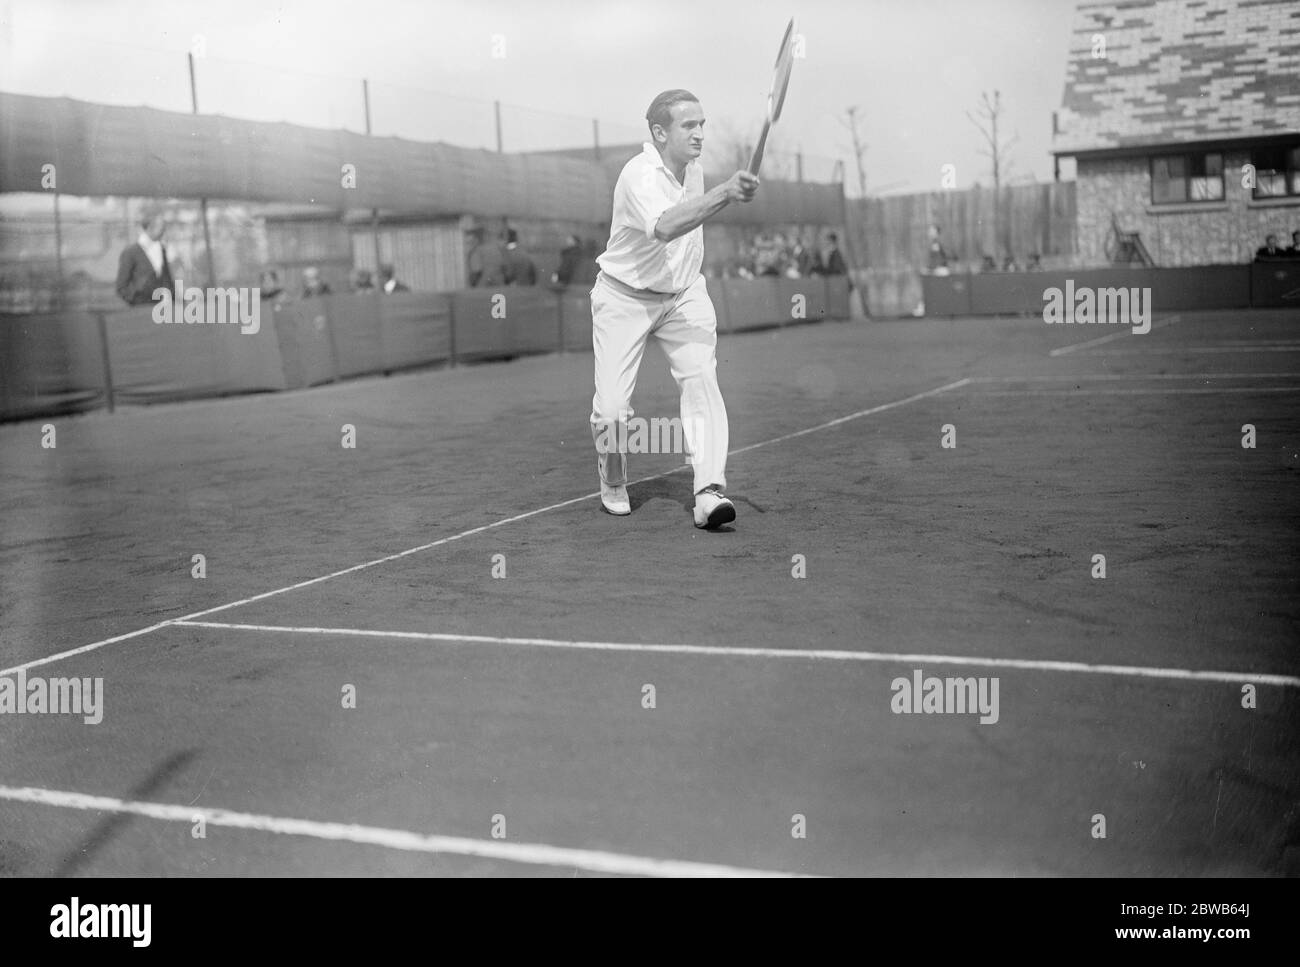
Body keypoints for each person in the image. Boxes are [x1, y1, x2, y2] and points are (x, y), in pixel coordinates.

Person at [590, 88, 758, 529]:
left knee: (702, 381)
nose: (700, 133)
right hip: (623, 296)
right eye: (689, 125)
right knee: (611, 410)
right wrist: (726, 192)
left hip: (684, 295)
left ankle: (708, 493)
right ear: (660, 132)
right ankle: (612, 480)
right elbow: (665, 227)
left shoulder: (694, 169)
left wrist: (725, 192)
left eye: (703, 124)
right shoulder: (638, 175)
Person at [115, 207, 174, 306]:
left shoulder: (161, 249)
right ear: (150, 227)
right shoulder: (130, 252)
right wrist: (137, 299)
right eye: (160, 226)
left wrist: (170, 295)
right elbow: (121, 287)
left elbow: (166, 278)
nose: (163, 230)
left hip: (162, 310)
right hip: (140, 310)